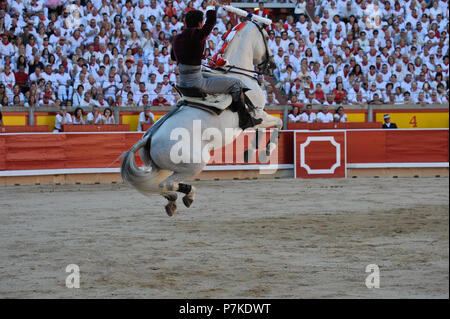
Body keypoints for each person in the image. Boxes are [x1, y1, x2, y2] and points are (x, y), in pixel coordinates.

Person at [170, 0, 261, 130]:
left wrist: (199, 57)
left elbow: (174, 57)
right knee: (236, 84)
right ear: (200, 23)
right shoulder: (197, 34)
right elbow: (211, 22)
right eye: (202, 22)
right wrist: (211, 6)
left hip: (183, 81)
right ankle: (244, 120)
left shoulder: (177, 38)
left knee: (214, 74)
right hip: (196, 82)